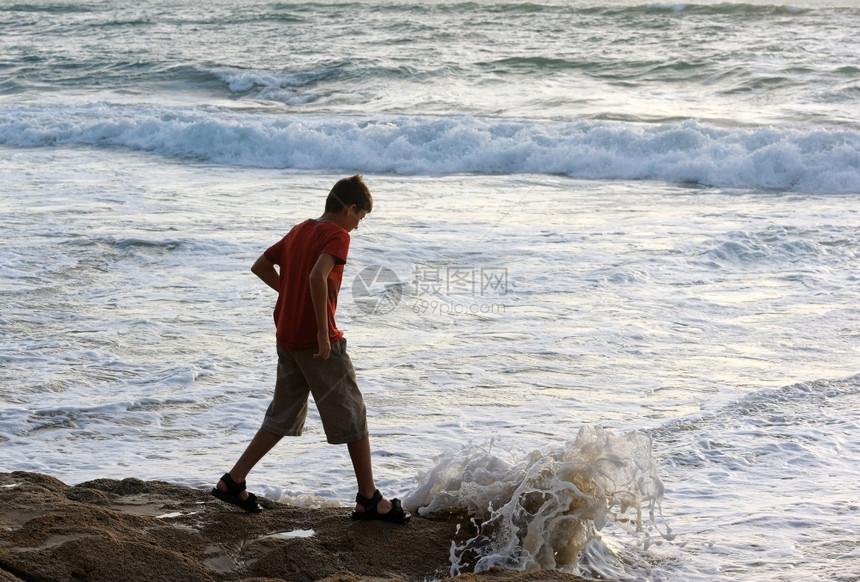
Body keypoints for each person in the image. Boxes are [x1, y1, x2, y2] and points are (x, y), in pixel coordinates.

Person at [211, 174, 410, 524]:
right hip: (316, 341)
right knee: (354, 414)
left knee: (282, 415)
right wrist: (322, 333)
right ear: (349, 209)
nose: (358, 226)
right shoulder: (337, 234)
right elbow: (317, 277)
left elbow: (261, 266)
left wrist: (290, 296)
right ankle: (368, 499)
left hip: (286, 335)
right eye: (360, 217)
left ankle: (232, 481)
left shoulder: (300, 229)